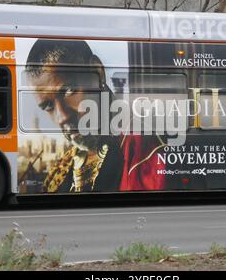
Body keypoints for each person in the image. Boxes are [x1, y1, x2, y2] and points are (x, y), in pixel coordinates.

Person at [25, 39, 167, 193]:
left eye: (68, 90)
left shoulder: (146, 148)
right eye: (48, 106)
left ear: (97, 72)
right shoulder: (59, 171)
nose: (62, 117)